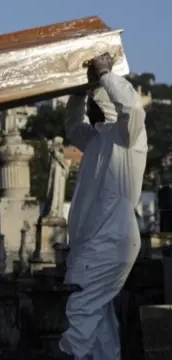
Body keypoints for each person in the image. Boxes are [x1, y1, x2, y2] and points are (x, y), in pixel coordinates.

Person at [58, 53, 147, 359]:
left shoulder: (128, 137)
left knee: (79, 310)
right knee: (99, 319)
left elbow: (132, 107)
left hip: (109, 241)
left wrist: (106, 75)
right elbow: (72, 125)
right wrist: (79, 91)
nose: (93, 108)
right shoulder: (97, 139)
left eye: (97, 101)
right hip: (94, 242)